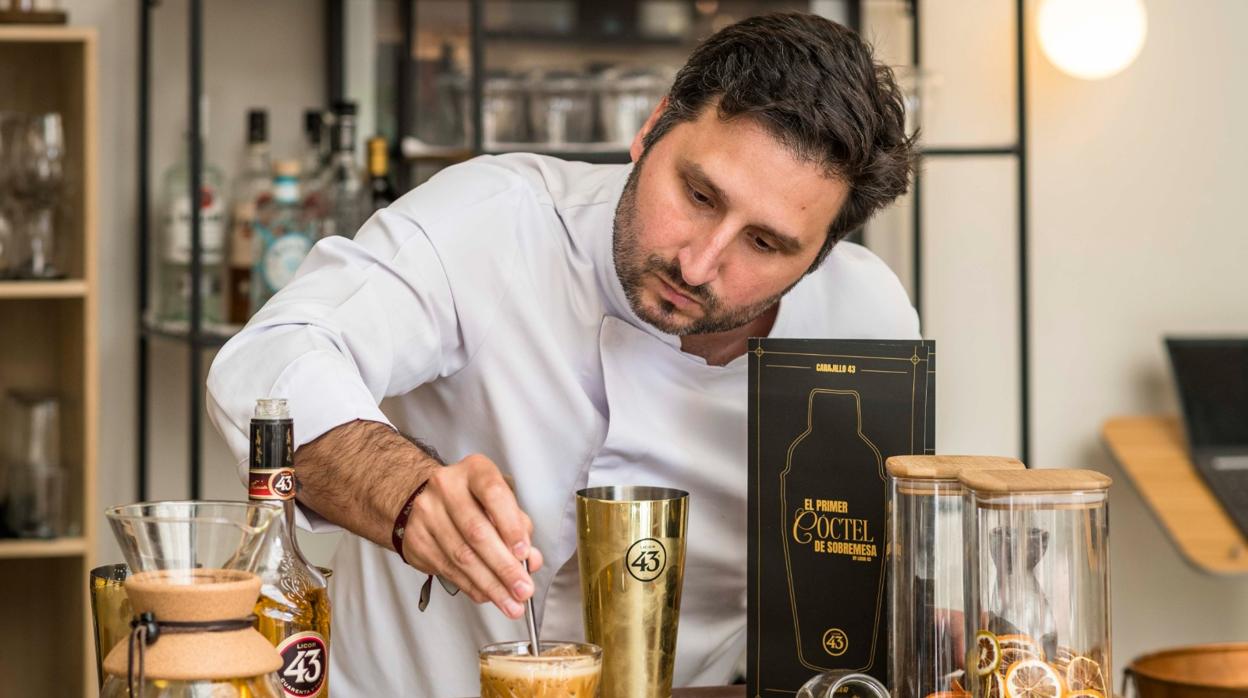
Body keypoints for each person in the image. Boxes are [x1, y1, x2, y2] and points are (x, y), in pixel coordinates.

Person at [207, 11, 918, 696]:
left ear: (821, 255)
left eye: (764, 244)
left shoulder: (865, 319)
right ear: (652, 127)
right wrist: (407, 492)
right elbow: (269, 361)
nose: (700, 264)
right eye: (698, 194)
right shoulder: (495, 222)